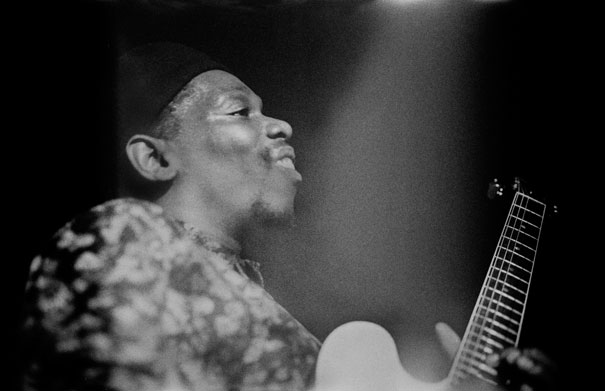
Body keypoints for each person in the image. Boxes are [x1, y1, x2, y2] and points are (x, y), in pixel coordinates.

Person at [19, 42, 556, 391]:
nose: (282, 126)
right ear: (157, 158)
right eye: (239, 111)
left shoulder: (311, 348)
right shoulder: (122, 235)